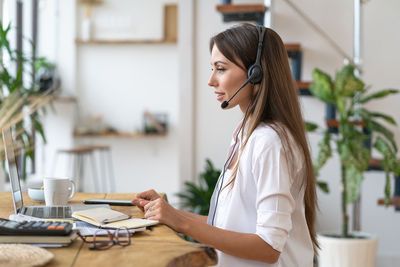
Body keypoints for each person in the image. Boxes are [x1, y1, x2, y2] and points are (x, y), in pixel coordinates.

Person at [132, 23, 318, 266]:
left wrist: (182, 223)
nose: (211, 81)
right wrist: (170, 214)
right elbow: (226, 226)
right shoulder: (245, 133)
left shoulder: (270, 142)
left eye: (221, 69)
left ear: (256, 73)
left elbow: (269, 247)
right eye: (213, 68)